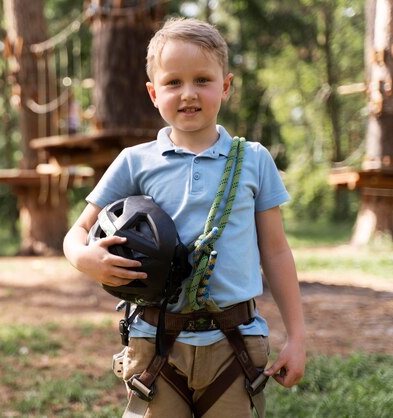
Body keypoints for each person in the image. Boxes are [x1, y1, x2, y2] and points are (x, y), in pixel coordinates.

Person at [63, 17, 306, 418]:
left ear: (225, 86)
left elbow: (276, 252)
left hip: (235, 345)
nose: (188, 93)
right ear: (153, 92)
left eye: (202, 80)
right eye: (173, 82)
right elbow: (78, 231)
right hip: (154, 343)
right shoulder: (135, 161)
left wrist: (297, 336)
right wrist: (84, 258)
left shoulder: (254, 160)